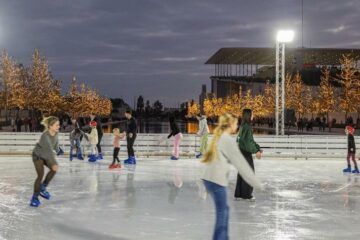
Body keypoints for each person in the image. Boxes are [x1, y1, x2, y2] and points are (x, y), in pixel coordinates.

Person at [201, 113, 263, 240]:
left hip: (209, 178)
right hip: (217, 180)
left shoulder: (218, 136)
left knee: (223, 210)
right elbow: (242, 166)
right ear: (230, 125)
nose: (237, 126)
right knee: (223, 212)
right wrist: (257, 183)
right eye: (235, 123)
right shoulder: (227, 140)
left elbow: (207, 158)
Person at [30, 116, 61, 207]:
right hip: (38, 155)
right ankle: (34, 198)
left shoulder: (55, 134)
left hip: (46, 155)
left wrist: (59, 150)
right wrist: (54, 163)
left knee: (54, 169)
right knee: (40, 175)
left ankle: (43, 187)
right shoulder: (45, 136)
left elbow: (55, 145)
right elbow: (49, 151)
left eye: (58, 125)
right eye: (57, 125)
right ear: (50, 126)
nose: (58, 126)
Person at [234, 109, 262, 201]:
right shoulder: (247, 127)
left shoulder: (243, 126)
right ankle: (246, 195)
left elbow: (241, 140)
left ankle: (239, 194)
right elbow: (248, 142)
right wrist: (256, 151)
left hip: (241, 151)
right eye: (252, 114)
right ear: (248, 115)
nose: (253, 115)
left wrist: (257, 148)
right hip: (245, 152)